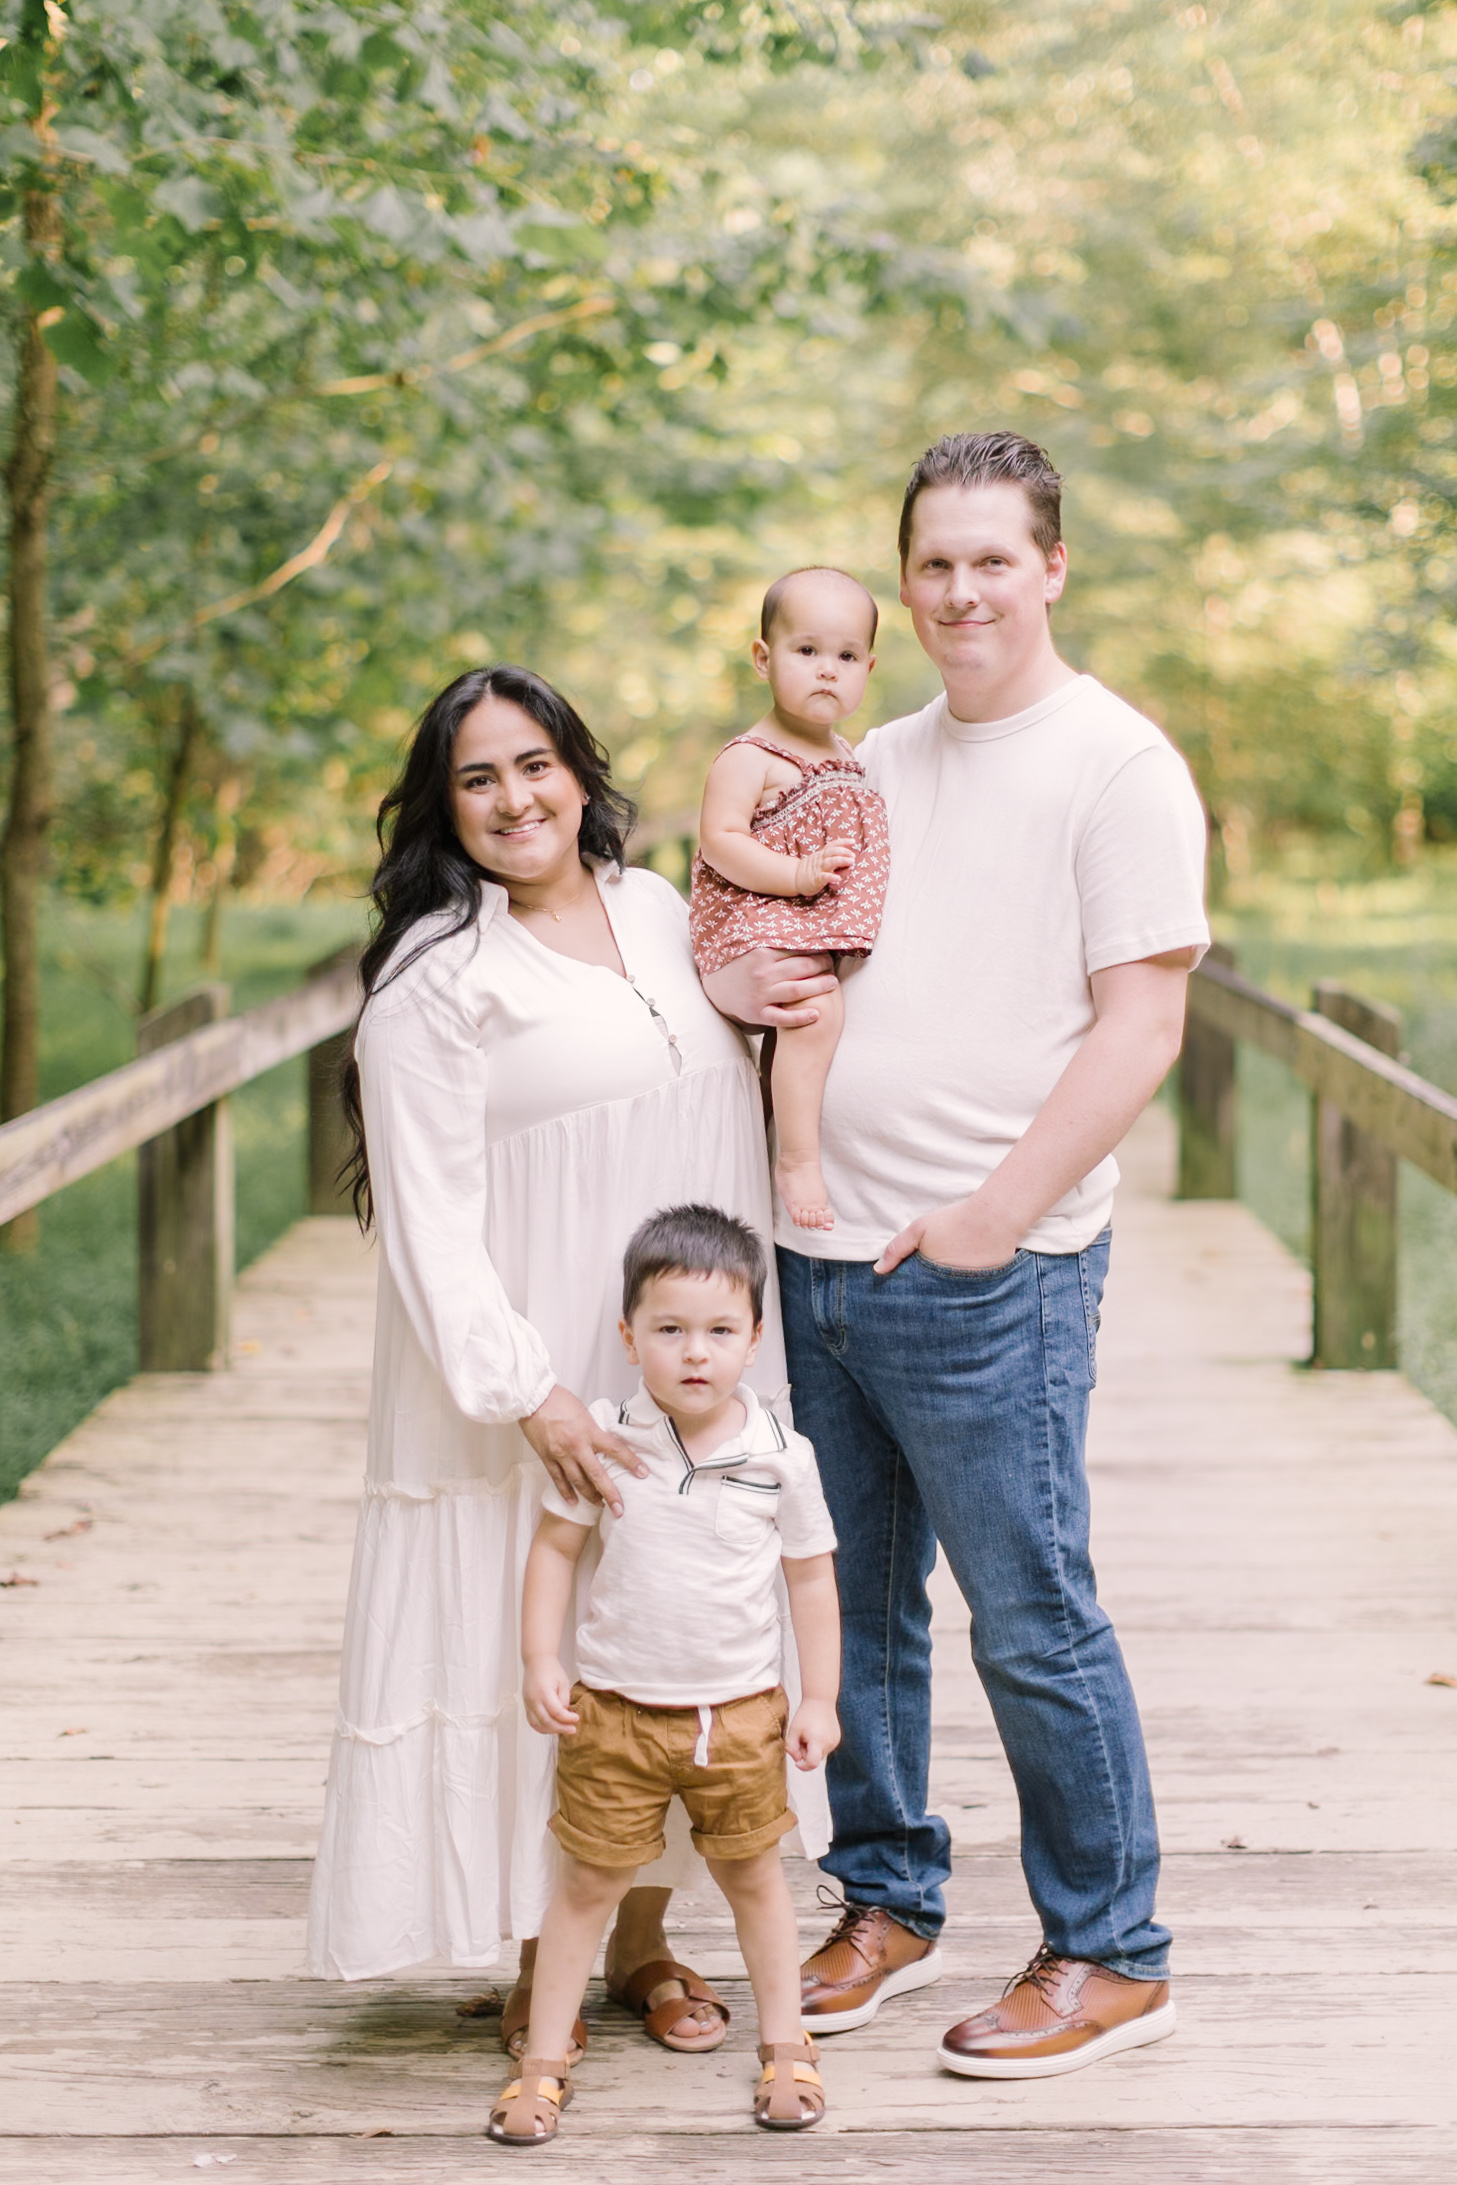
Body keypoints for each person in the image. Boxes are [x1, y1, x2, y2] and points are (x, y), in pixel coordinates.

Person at [703, 431, 1210, 2078]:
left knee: (1026, 1611)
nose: (959, 590)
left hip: (994, 1268)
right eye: (932, 563)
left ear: (1052, 567)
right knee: (852, 1606)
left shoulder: (1115, 764)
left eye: (993, 558)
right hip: (820, 1255)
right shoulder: (872, 762)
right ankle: (887, 1896)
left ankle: (1107, 1948)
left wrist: (994, 1214)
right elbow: (786, 933)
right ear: (900, 581)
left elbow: (1142, 1026)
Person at [306, 665, 830, 2065]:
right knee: (544, 1638)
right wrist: (522, 1389)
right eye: (477, 777)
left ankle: (645, 1940)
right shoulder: (438, 983)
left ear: (580, 773)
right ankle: (558, 1951)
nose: (514, 797)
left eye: (533, 764)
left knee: (674, 1623)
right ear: (442, 808)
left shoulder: (658, 907)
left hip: (690, 1355)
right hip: (544, 1359)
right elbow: (426, 1220)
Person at [488, 1205, 841, 2145]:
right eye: (669, 1329)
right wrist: (539, 1659)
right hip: (614, 1713)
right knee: (586, 1884)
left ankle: (786, 2043)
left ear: (754, 1340)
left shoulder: (779, 1455)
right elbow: (557, 1551)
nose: (695, 1353)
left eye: (720, 1331)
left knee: (754, 1878)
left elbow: (810, 1576)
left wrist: (816, 1696)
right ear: (628, 1336)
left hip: (738, 1714)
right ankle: (543, 2059)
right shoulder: (607, 1439)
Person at [690, 567, 890, 1232]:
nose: (826, 670)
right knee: (814, 1010)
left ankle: (768, 1133)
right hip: (748, 920)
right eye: (806, 651)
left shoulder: (850, 756)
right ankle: (797, 1160)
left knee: (808, 1019)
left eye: (846, 655)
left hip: (795, 922)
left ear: (867, 666)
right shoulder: (752, 756)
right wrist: (799, 874)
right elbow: (720, 841)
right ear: (762, 657)